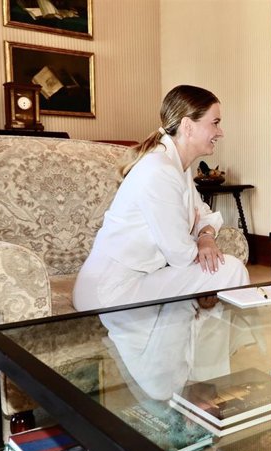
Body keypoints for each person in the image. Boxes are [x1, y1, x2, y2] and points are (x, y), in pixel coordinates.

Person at [74, 85, 250, 311]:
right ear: (188, 126)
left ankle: (205, 343)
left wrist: (205, 236)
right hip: (110, 290)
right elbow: (180, 255)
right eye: (215, 123)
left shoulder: (177, 166)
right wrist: (194, 235)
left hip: (139, 279)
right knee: (230, 270)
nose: (220, 132)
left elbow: (204, 215)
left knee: (229, 269)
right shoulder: (160, 170)